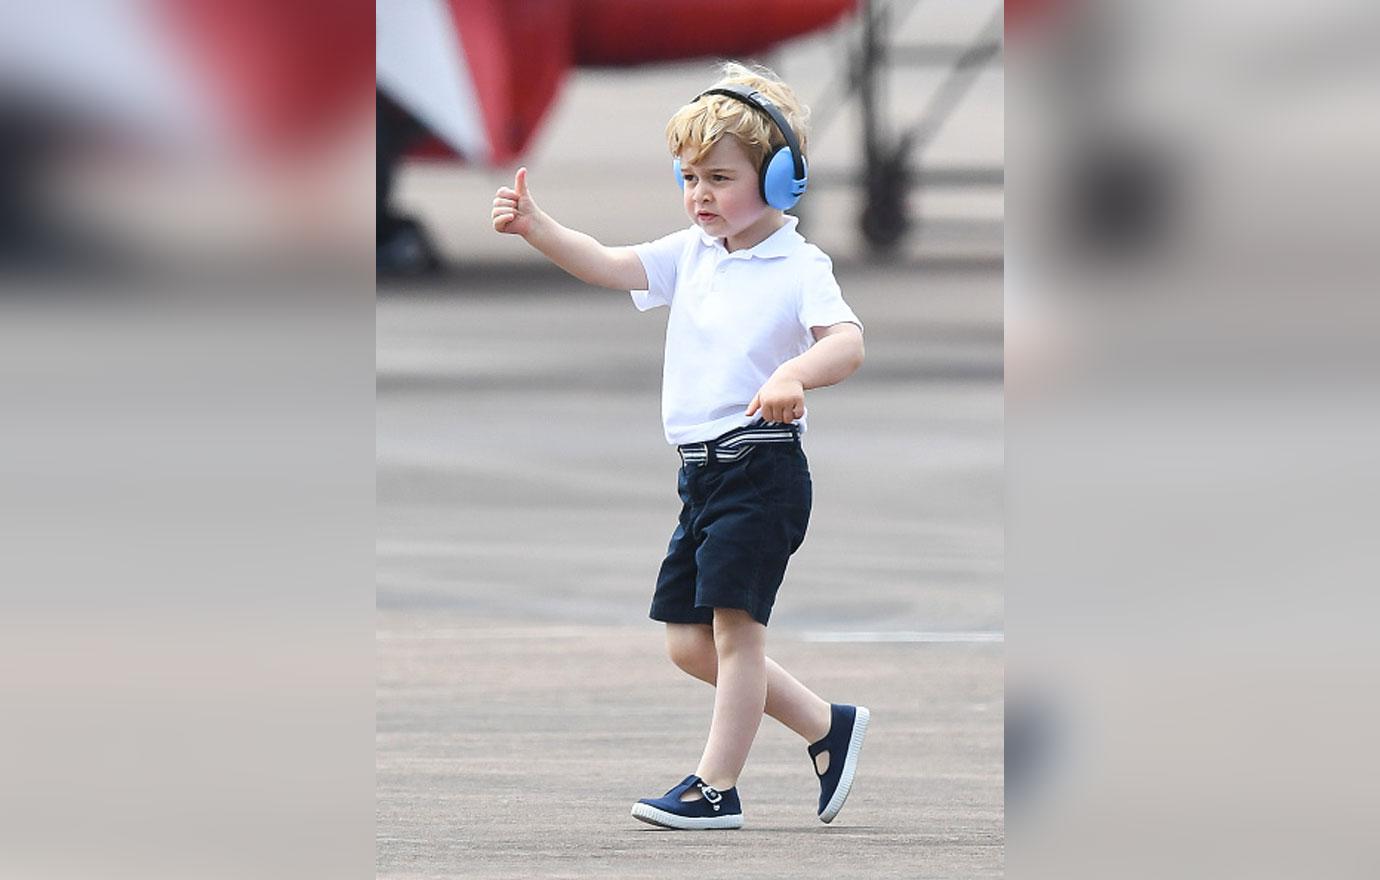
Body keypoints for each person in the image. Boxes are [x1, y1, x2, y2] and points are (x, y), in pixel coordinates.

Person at [491, 61, 869, 830]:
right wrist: (539, 228)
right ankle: (829, 726)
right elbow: (607, 262)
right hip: (700, 476)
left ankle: (715, 787)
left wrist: (797, 371)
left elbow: (849, 342)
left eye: (719, 178)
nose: (700, 194)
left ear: (784, 181)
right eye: (689, 177)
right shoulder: (692, 253)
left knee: (735, 633)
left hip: (761, 469)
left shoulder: (799, 265)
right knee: (689, 645)